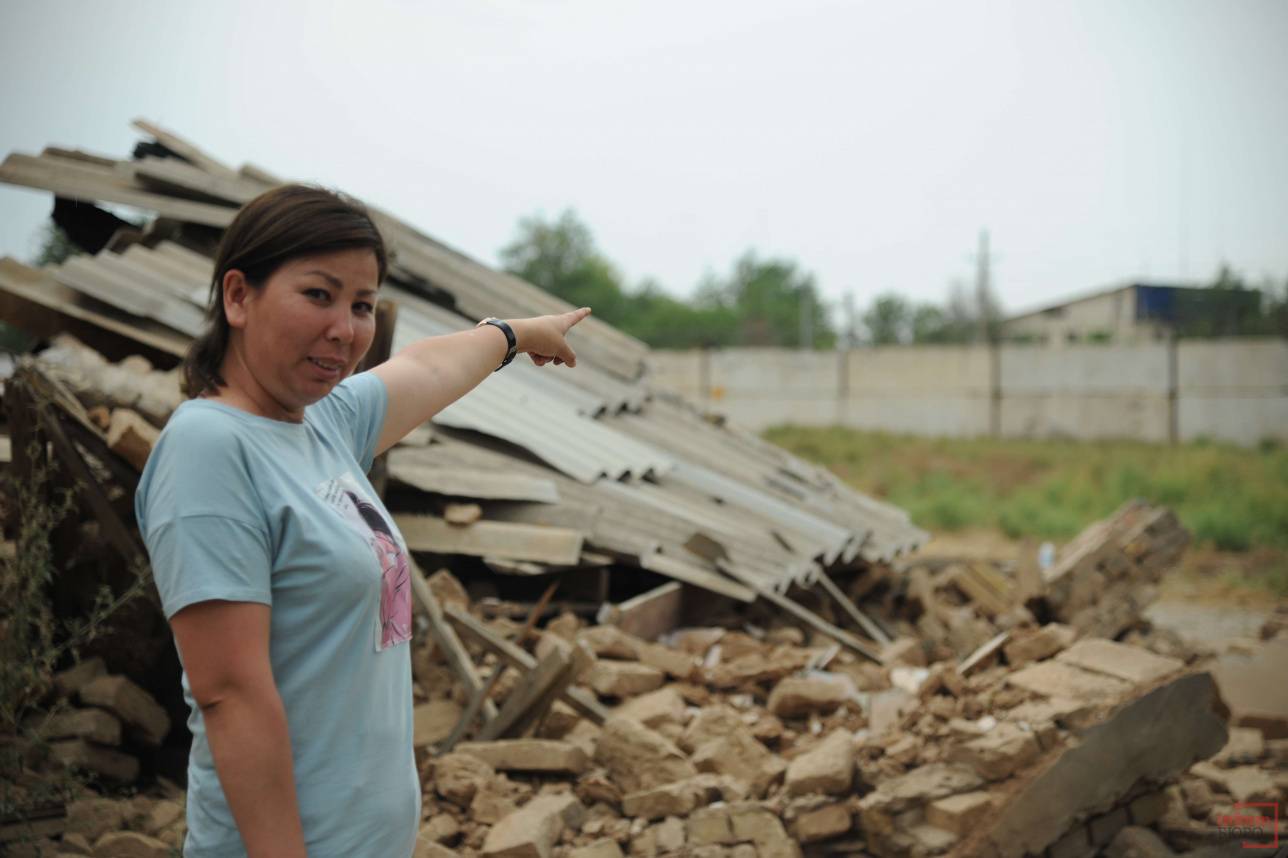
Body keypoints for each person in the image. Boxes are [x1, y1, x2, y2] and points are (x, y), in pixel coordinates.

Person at [134, 183, 591, 858]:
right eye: (318, 295)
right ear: (239, 296)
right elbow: (230, 695)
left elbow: (426, 368)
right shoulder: (210, 449)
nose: (344, 329)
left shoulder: (322, 424)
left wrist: (516, 335)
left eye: (362, 305)